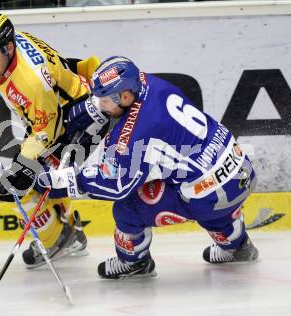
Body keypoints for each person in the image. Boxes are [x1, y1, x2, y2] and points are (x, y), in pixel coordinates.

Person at [34, 56, 259, 279]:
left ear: (125, 96)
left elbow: (116, 185)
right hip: (241, 170)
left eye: (105, 100)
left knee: (128, 206)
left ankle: (134, 262)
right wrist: (94, 108)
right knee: (194, 183)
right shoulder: (147, 82)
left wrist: (59, 181)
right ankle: (237, 246)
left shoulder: (135, 132)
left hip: (209, 194)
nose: (101, 105)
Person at [0, 13, 108, 268]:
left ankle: (57, 239)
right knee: (34, 178)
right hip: (47, 114)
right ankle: (68, 232)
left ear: (9, 48)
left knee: (23, 184)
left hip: (77, 118)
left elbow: (46, 132)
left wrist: (23, 165)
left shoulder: (31, 81)